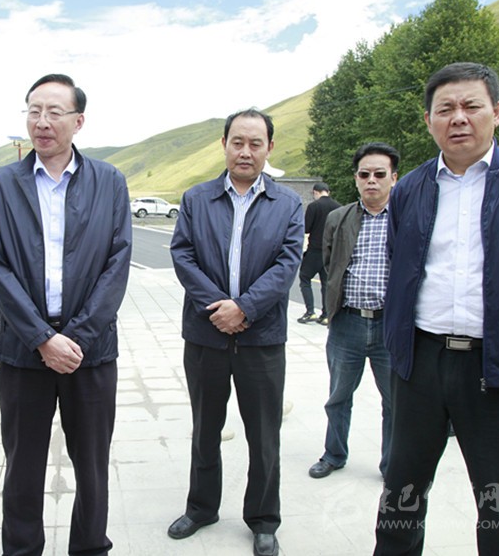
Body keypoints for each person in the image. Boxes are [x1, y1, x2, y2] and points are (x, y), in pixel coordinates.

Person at [376, 62, 499, 555]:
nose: (458, 118)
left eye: (471, 106)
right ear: (429, 120)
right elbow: (399, 266)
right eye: (445, 109)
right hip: (421, 364)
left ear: (497, 111)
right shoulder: (409, 189)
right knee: (400, 496)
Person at [0, 74, 131, 556]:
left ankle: (89, 548)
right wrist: (42, 338)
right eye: (34, 111)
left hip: (91, 352)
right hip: (24, 351)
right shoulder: (2, 185)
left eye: (54, 112)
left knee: (92, 466)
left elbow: (117, 263)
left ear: (78, 121)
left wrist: (77, 338)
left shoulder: (109, 181)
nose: (42, 122)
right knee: (22, 466)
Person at [168, 108, 304, 556]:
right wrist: (219, 309)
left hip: (262, 339)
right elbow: (183, 256)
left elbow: (287, 264)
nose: (246, 151)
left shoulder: (288, 204)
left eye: (255, 143)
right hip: (205, 336)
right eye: (237, 142)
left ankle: (263, 519)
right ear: (224, 145)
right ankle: (201, 507)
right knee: (205, 429)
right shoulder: (196, 199)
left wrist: (244, 308)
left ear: (269, 148)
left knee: (264, 436)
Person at [307, 143, 397, 481]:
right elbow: (331, 264)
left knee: (395, 402)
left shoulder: (406, 216)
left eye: (379, 174)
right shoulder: (338, 218)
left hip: (391, 327)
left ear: (393, 177)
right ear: (356, 178)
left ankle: (392, 464)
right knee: (339, 396)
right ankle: (333, 454)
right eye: (364, 174)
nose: (371, 180)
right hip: (347, 323)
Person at [297, 181, 340, 325]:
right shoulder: (339, 207)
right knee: (326, 283)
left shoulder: (313, 206)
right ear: (328, 192)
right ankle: (326, 314)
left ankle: (310, 312)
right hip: (331, 251)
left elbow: (306, 228)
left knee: (304, 278)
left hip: (315, 249)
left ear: (315, 192)